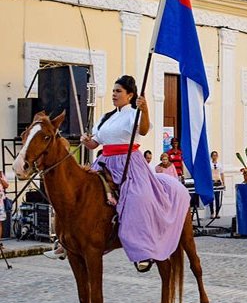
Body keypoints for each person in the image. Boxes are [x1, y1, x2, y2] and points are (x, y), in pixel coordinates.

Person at [44, 75, 190, 272]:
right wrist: (87, 141)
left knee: (140, 198)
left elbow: (145, 130)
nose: (114, 94)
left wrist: (145, 110)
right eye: (113, 90)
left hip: (129, 162)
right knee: (78, 195)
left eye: (118, 91)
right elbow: (95, 143)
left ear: (130, 95)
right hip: (104, 161)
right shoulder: (106, 118)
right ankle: (66, 242)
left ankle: (144, 249)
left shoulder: (134, 114)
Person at [208, 150, 225, 219]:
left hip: (218, 181)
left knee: (217, 198)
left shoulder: (220, 164)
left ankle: (217, 213)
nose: (214, 157)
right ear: (211, 156)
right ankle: (212, 213)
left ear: (217, 156)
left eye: (216, 155)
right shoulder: (209, 164)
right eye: (213, 155)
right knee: (211, 198)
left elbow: (222, 174)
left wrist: (223, 182)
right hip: (211, 182)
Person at [0, 171, 8, 240]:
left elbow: (6, 186)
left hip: (0, 203)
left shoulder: (0, 173)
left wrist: (1, 179)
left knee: (0, 223)